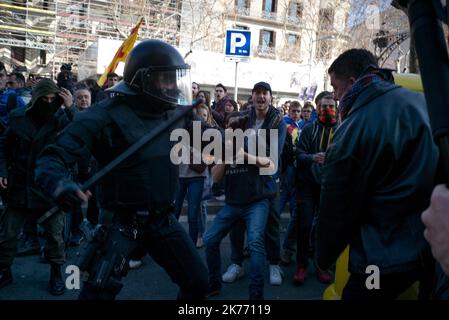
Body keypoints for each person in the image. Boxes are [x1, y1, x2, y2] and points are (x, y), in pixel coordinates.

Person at [34, 40, 209, 300]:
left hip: (162, 220)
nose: (173, 86)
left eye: (175, 79)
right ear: (144, 80)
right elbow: (52, 158)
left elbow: (211, 137)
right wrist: (60, 185)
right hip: (120, 223)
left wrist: (241, 142)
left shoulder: (176, 113)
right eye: (166, 79)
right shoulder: (102, 116)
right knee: (98, 295)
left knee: (198, 283)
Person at [316, 48, 438, 300]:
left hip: (381, 259)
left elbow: (336, 206)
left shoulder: (353, 127)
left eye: (336, 88)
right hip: (431, 245)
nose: (336, 98)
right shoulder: (423, 102)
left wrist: (324, 256)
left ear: (351, 83)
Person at [204, 81, 286, 299]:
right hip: (233, 200)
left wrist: (245, 155)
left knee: (262, 238)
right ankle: (223, 275)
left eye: (264, 93)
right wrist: (225, 155)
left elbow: (271, 163)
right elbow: (215, 177)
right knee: (213, 238)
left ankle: (260, 288)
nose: (233, 127)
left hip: (261, 195)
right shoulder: (233, 134)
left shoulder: (273, 125)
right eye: (257, 93)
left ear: (269, 97)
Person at [0, 79, 73, 295]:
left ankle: (56, 272)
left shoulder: (62, 119)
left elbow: (82, 133)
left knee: (54, 235)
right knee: (8, 232)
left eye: (53, 99)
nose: (48, 102)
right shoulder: (17, 118)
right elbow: (3, 146)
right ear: (35, 99)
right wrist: (2, 170)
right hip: (20, 183)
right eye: (44, 99)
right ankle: (4, 269)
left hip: (50, 186)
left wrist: (70, 109)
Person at [293, 94, 337, 285]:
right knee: (304, 226)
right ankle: (302, 265)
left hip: (331, 187)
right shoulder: (309, 129)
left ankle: (321, 265)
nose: (327, 109)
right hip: (308, 186)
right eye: (323, 105)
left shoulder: (342, 129)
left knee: (325, 229)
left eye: (330, 105)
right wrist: (313, 158)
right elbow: (298, 154)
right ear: (317, 108)